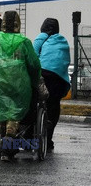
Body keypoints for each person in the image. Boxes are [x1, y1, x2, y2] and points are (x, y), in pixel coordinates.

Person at [0, 11, 41, 161]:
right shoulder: (24, 42)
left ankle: (4, 136)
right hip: (20, 86)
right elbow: (34, 66)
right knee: (15, 111)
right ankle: (11, 135)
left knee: (2, 108)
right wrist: (34, 83)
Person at [33, 18, 70, 150]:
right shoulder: (63, 41)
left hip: (43, 75)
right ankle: (48, 138)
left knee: (34, 100)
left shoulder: (41, 38)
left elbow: (33, 57)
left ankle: (31, 134)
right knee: (54, 105)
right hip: (59, 79)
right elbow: (65, 61)